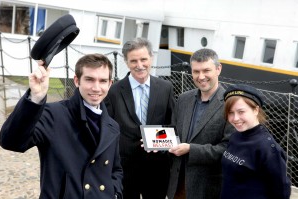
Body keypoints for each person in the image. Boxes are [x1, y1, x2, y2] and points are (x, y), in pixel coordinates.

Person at [0, 54, 123, 199]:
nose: (96, 88)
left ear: (110, 84)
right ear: (77, 81)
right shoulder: (53, 114)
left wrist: (115, 193)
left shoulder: (112, 126)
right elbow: (11, 142)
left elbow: (116, 169)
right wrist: (35, 98)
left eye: (102, 81)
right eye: (89, 79)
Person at [104, 37, 175, 199]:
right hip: (125, 166)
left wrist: (161, 144)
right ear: (126, 62)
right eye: (133, 61)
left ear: (151, 58)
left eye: (144, 59)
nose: (140, 65)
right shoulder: (113, 91)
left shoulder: (166, 88)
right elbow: (107, 128)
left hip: (157, 166)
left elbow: (172, 124)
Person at [167, 48, 234, 199]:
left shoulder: (230, 104)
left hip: (208, 189)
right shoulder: (183, 99)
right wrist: (156, 143)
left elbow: (228, 149)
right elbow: (173, 132)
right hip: (177, 185)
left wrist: (191, 149)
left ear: (218, 69)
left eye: (206, 70)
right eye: (196, 71)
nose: (201, 76)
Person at [221, 84, 291, 199]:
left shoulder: (267, 148)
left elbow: (282, 190)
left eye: (241, 112)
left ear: (255, 110)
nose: (235, 118)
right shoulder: (235, 136)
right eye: (231, 112)